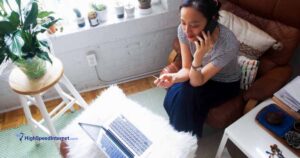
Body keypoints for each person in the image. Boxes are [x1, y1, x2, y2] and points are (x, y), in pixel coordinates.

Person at [154, 0, 241, 137]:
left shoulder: (228, 44)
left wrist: (199, 55)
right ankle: (182, 137)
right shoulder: (183, 31)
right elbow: (186, 69)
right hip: (198, 74)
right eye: (183, 22)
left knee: (187, 93)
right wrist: (174, 77)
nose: (187, 31)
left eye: (194, 25)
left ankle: (181, 139)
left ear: (211, 21)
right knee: (180, 92)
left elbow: (196, 81)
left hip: (224, 83)